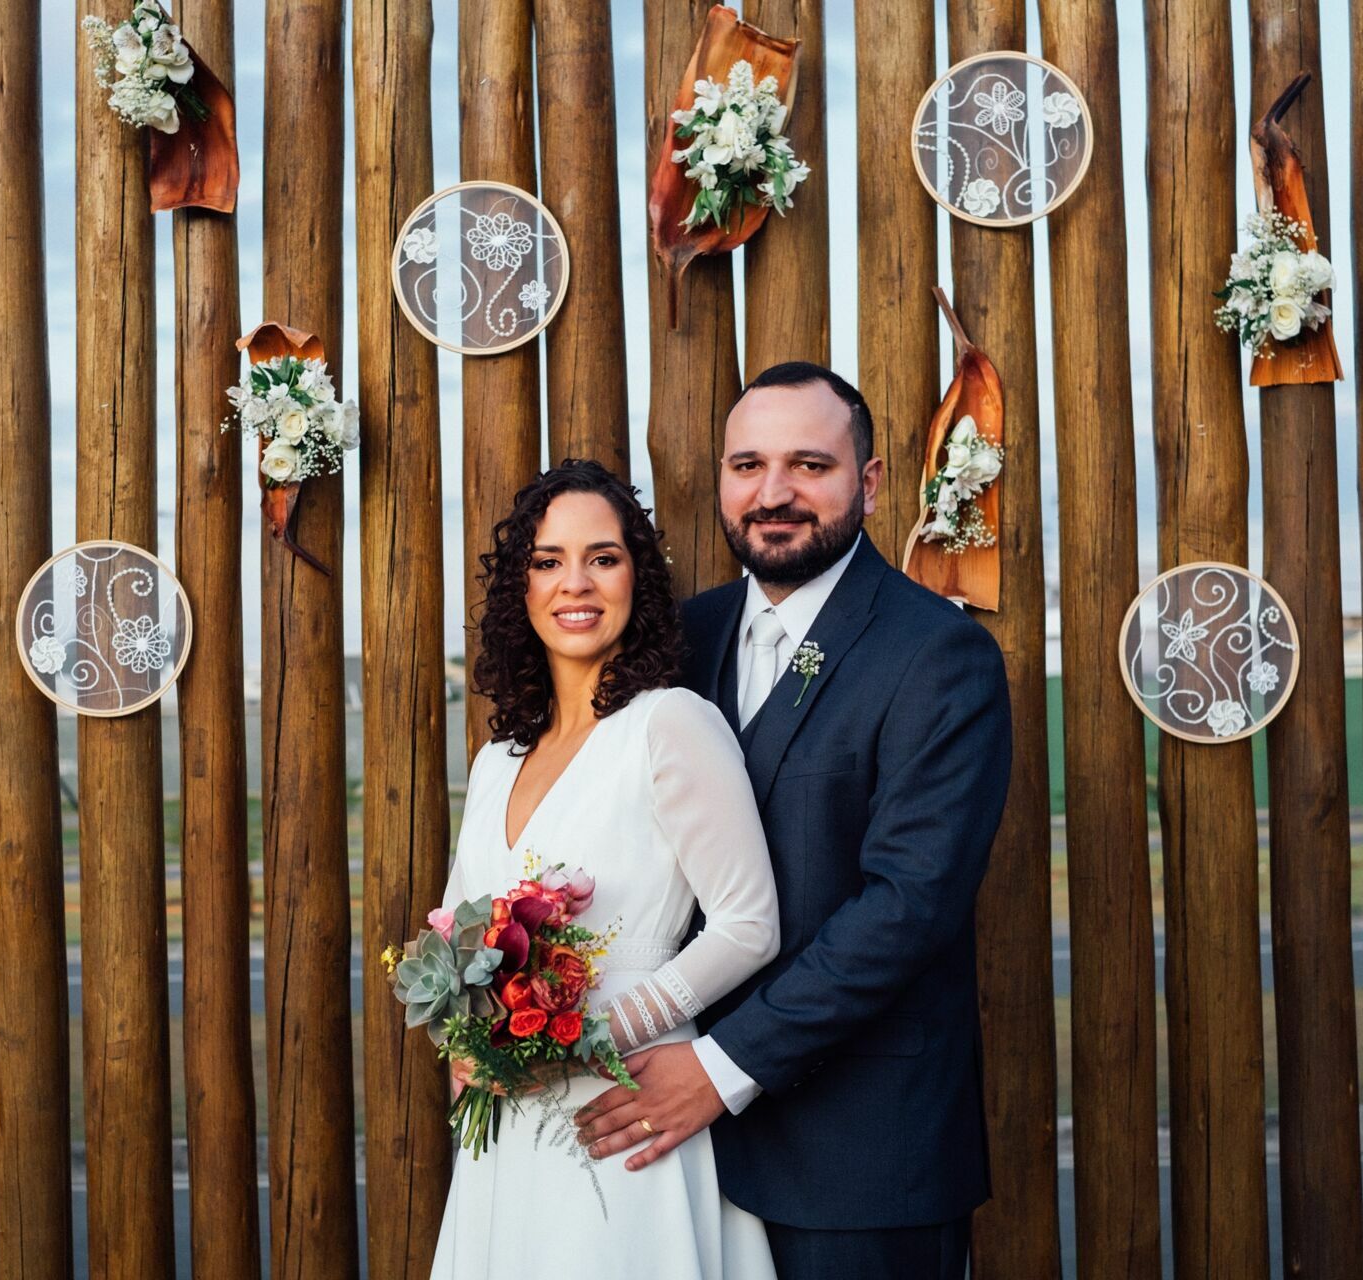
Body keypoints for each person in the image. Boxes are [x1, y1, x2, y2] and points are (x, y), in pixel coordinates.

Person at [572, 362, 1013, 1280]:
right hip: (669, 1150)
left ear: (872, 480)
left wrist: (721, 1069)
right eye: (747, 465)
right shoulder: (676, 642)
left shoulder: (941, 656)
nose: (773, 494)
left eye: (809, 465)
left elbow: (907, 909)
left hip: (856, 1156)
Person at [428, 460, 782, 1279]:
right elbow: (455, 937)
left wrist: (592, 1041)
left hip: (631, 1104)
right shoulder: (495, 760)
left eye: (604, 557)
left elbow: (749, 924)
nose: (574, 583)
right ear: (520, 587)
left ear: (638, 579)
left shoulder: (671, 725)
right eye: (548, 561)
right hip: (509, 1117)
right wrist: (465, 1042)